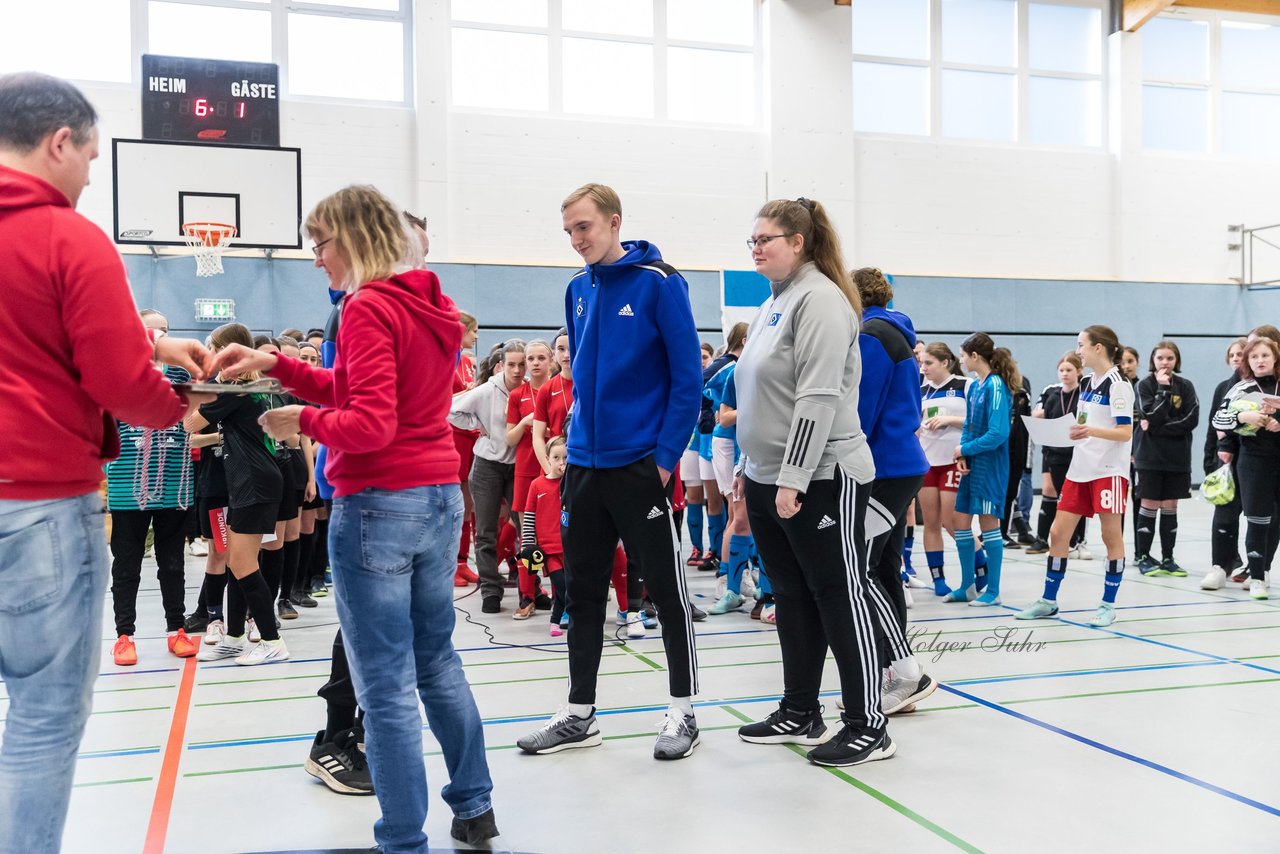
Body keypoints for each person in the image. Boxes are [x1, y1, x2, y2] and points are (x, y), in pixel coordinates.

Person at [211, 184, 497, 850]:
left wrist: (298, 420)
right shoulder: (429, 303)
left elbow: (367, 423)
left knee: (385, 683)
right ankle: (475, 806)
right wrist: (277, 366)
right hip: (435, 497)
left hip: (379, 506)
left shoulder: (367, 306)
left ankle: (402, 837)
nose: (315, 259)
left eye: (321, 244)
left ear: (355, 239)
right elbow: (368, 387)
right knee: (437, 664)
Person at [0, 71, 212, 854]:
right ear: (60, 142)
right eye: (90, 156)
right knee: (42, 717)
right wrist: (177, 403)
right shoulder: (68, 236)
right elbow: (120, 384)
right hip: (37, 506)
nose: (91, 175)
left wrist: (152, 340)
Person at [516, 183, 703, 761]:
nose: (576, 240)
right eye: (569, 231)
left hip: (641, 466)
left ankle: (684, 709)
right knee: (582, 589)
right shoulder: (576, 289)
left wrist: (666, 458)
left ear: (614, 222)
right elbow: (582, 381)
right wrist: (571, 445)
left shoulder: (660, 283)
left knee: (666, 590)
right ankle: (579, 712)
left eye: (585, 228)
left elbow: (687, 379)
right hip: (585, 468)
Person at [731, 197, 892, 768]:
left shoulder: (820, 298)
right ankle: (800, 709)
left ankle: (868, 724)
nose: (755, 247)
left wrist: (793, 477)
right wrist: (745, 471)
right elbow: (757, 395)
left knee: (838, 595)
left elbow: (817, 398)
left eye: (765, 238)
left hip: (822, 476)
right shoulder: (776, 301)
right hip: (768, 475)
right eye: (751, 239)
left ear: (797, 242)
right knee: (792, 595)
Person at [851, 267, 935, 713]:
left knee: (860, 570)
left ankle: (907, 672)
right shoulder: (894, 330)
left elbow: (860, 411)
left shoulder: (872, 334)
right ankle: (893, 673)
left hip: (885, 469)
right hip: (895, 465)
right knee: (883, 569)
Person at [1018, 325, 1134, 627]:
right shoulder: (1088, 382)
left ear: (1098, 348)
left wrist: (1091, 431)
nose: (1078, 349)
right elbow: (1086, 423)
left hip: (1108, 472)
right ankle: (1048, 600)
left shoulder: (1118, 385)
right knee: (1057, 534)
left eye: (1082, 344)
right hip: (1079, 469)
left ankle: (1108, 605)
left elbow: (1124, 432)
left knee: (1111, 537)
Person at [106, 309, 199, 666]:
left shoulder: (183, 375)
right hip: (128, 488)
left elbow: (198, 413)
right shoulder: (118, 374)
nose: (159, 337)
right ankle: (124, 636)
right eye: (151, 331)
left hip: (175, 486)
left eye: (165, 330)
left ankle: (176, 629)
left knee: (172, 563)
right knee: (126, 565)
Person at [449, 340, 525, 612]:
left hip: (519, 466)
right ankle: (490, 590)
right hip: (487, 465)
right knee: (485, 531)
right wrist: (475, 425)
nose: (517, 370)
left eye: (522, 365)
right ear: (501, 365)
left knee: (526, 529)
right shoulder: (486, 390)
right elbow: (452, 410)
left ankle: (531, 588)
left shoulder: (528, 390)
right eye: (512, 365)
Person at [946, 333, 1017, 606]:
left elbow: (998, 433)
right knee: (960, 521)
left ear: (975, 356)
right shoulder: (975, 386)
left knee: (989, 525)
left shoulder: (996, 386)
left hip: (990, 465)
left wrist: (966, 449)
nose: (961, 360)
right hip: (972, 463)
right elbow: (969, 425)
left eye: (963, 355)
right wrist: (962, 452)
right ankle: (967, 585)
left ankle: (993, 590)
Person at [1211, 336, 1280, 601]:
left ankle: (1264, 569)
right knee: (1258, 520)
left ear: (1274, 357)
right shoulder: (1243, 387)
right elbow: (1219, 417)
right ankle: (1257, 578)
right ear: (1248, 362)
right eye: (1255, 357)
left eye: (1265, 355)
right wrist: (1244, 417)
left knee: (1276, 520)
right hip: (1253, 462)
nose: (1260, 360)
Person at [1133, 340, 1199, 577]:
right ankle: (1143, 556)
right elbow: (1149, 413)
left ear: (1176, 361)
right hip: (1149, 456)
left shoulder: (1186, 386)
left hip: (1177, 457)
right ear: (1153, 360)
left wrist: (1157, 426)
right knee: (1149, 505)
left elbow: (1191, 419)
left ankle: (1168, 558)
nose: (1165, 362)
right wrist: (1163, 390)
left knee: (1171, 506)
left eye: (1169, 358)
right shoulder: (1145, 385)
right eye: (1160, 358)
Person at [917, 342, 971, 596]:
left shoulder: (964, 385)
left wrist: (950, 420)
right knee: (931, 522)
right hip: (927, 463)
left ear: (945, 362)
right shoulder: (921, 390)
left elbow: (978, 421)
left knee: (953, 523)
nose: (923, 367)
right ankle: (938, 579)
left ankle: (978, 567)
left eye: (928, 363)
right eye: (921, 363)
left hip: (953, 461)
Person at [1028, 353, 1088, 556]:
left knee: (1075, 497)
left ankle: (1078, 541)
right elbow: (1037, 413)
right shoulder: (1051, 392)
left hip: (1077, 453)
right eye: (1061, 370)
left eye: (1069, 370)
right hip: (1054, 453)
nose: (1064, 374)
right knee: (1057, 495)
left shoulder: (1084, 392)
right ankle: (1048, 539)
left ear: (1079, 371)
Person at [1200, 337, 1248, 590]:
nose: (1237, 358)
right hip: (1226, 463)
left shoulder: (1264, 386)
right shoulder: (1223, 387)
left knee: (1258, 517)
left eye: (1242, 353)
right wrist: (1210, 460)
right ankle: (1220, 565)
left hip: (1255, 461)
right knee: (1224, 514)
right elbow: (1213, 425)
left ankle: (1255, 567)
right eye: (1233, 355)